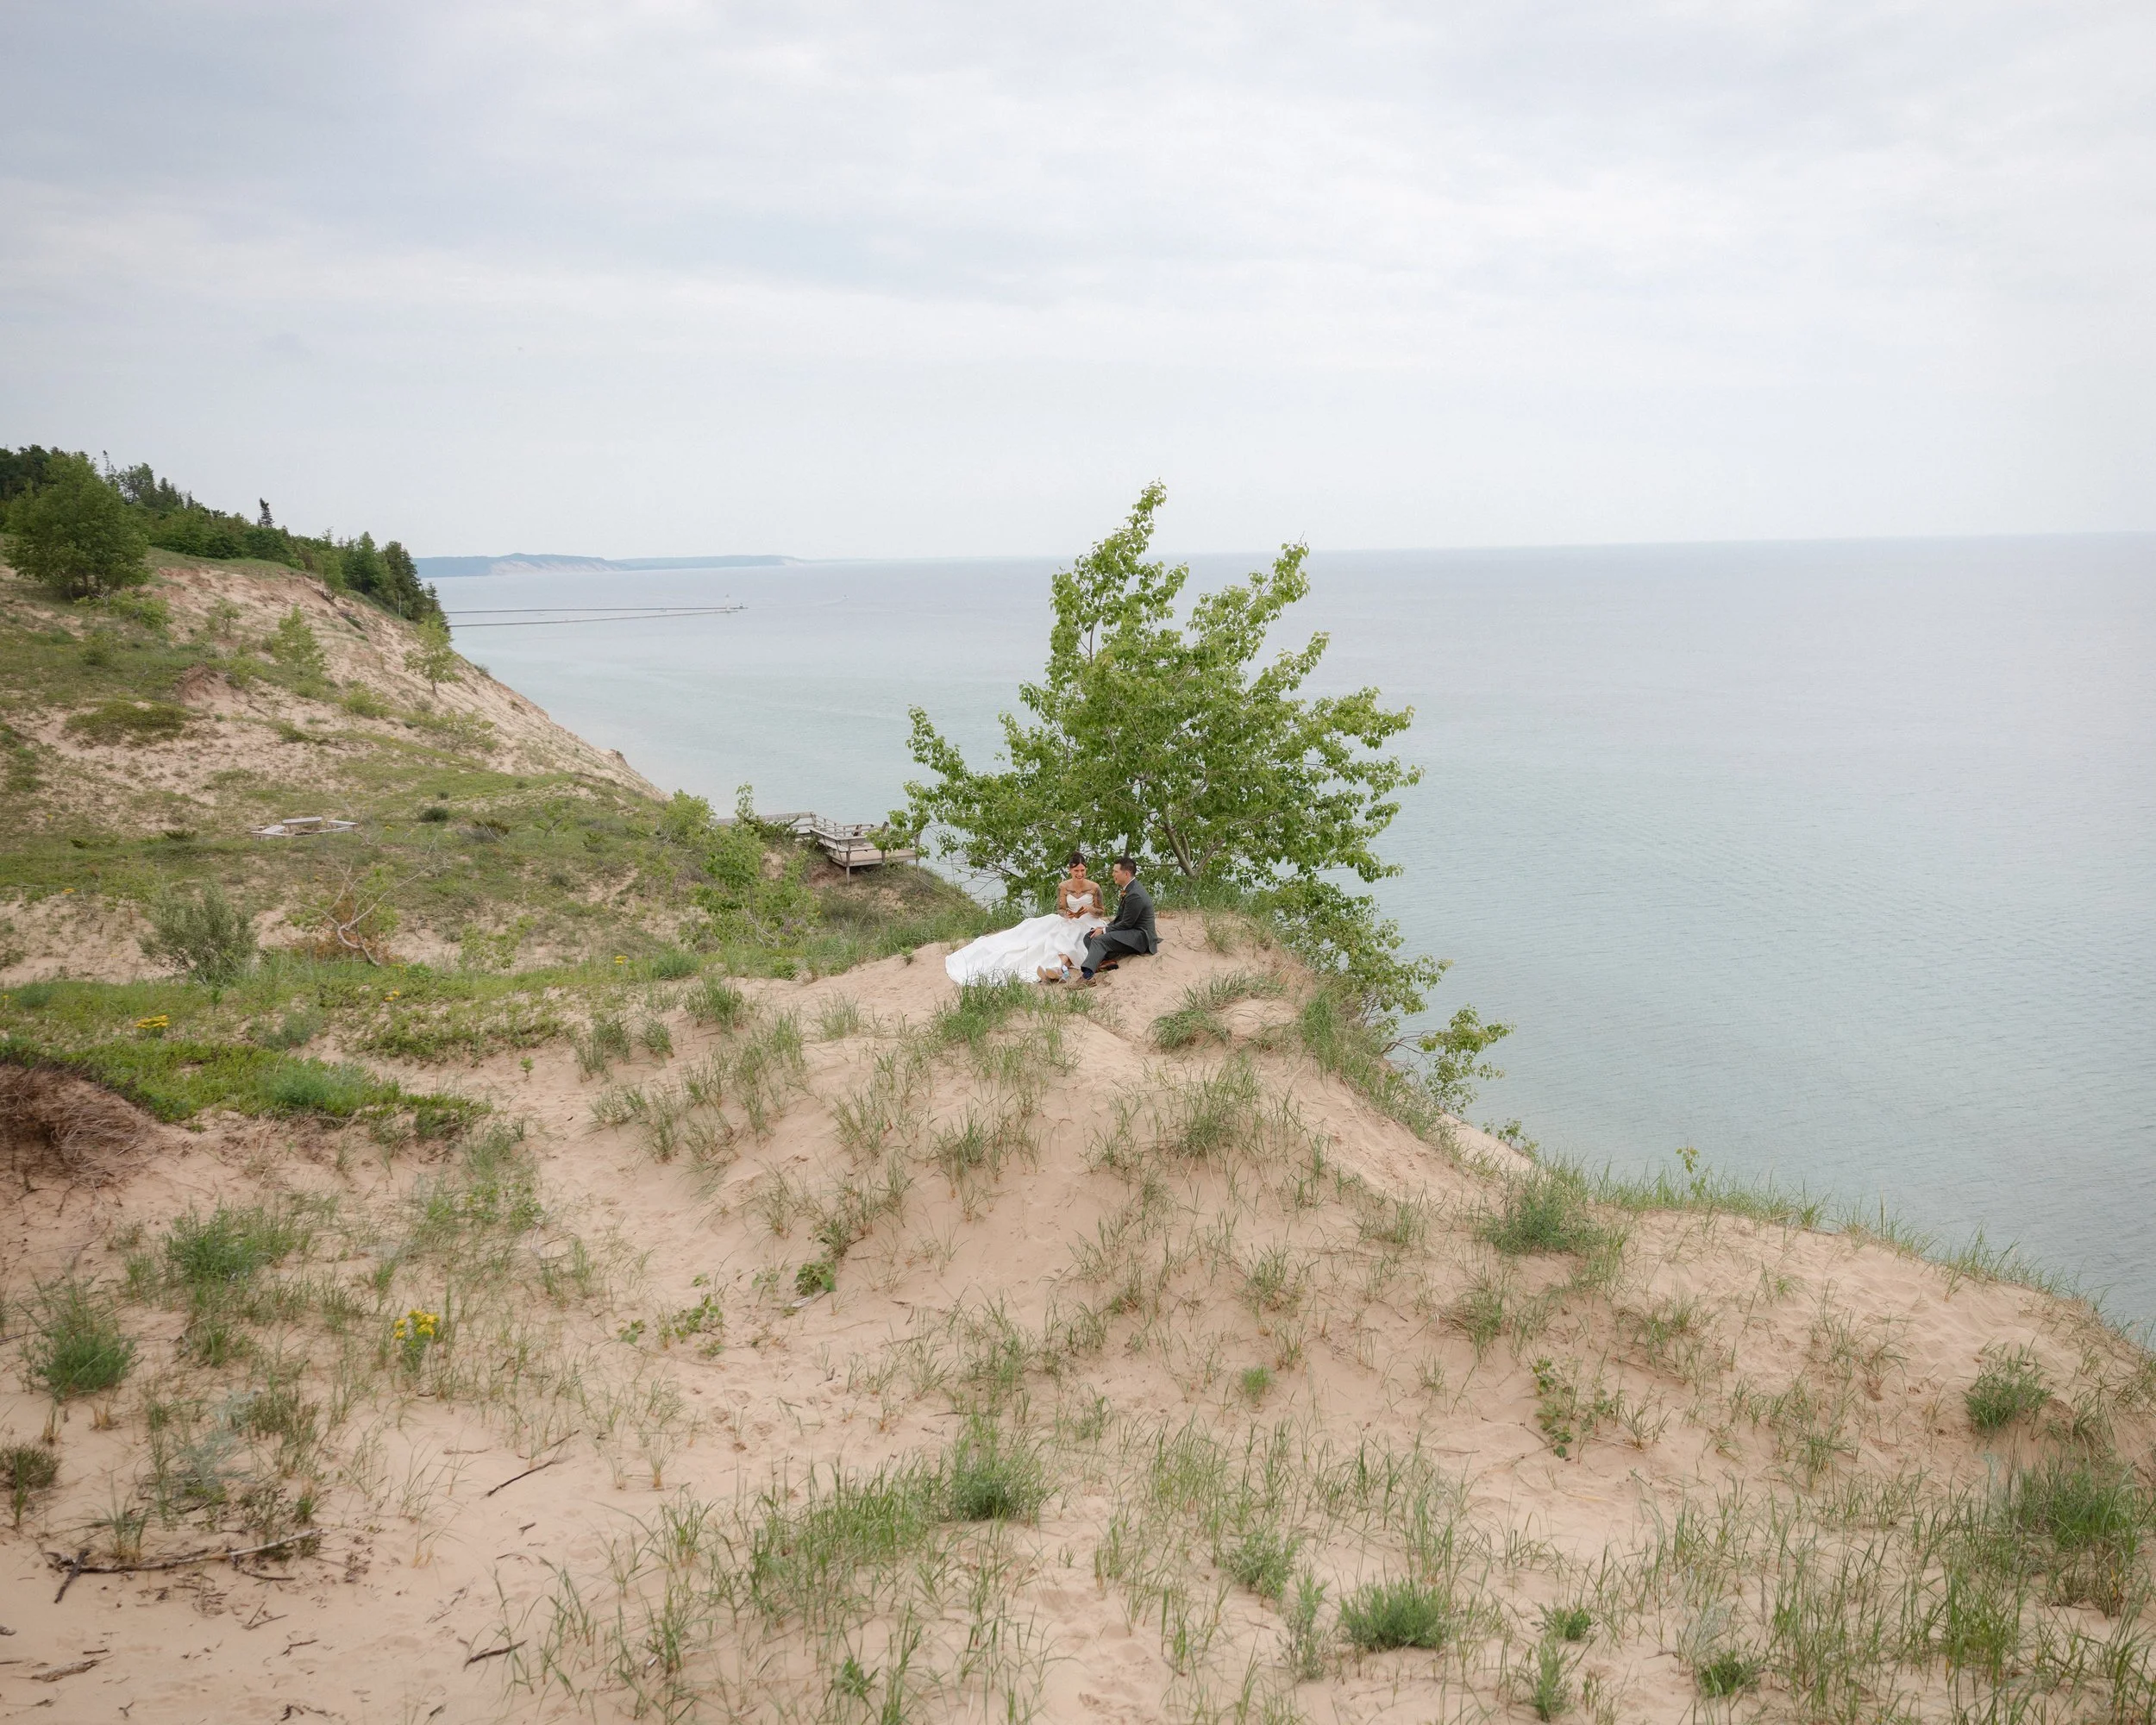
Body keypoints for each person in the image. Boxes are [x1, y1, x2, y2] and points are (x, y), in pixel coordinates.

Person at [943, 851, 1109, 986]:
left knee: (1073, 935)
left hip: (1089, 921)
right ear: (1070, 870)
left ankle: (1058, 969)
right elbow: (1060, 909)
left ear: (1086, 869)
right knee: (1056, 935)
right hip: (1071, 921)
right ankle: (1059, 970)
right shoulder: (1063, 886)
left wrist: (1089, 909)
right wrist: (1067, 914)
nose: (1080, 874)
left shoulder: (1094, 887)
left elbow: (1101, 911)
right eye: (1076, 871)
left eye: (1082, 870)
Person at [1076, 857, 1155, 986]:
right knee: (1090, 936)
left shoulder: (1135, 894)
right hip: (1130, 930)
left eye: (1115, 871)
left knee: (1099, 940)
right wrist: (1101, 929)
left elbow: (1127, 923)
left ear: (1126, 874)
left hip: (1140, 936)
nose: (1113, 874)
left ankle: (1087, 977)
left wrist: (1104, 930)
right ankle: (1106, 962)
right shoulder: (1129, 888)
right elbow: (1121, 918)